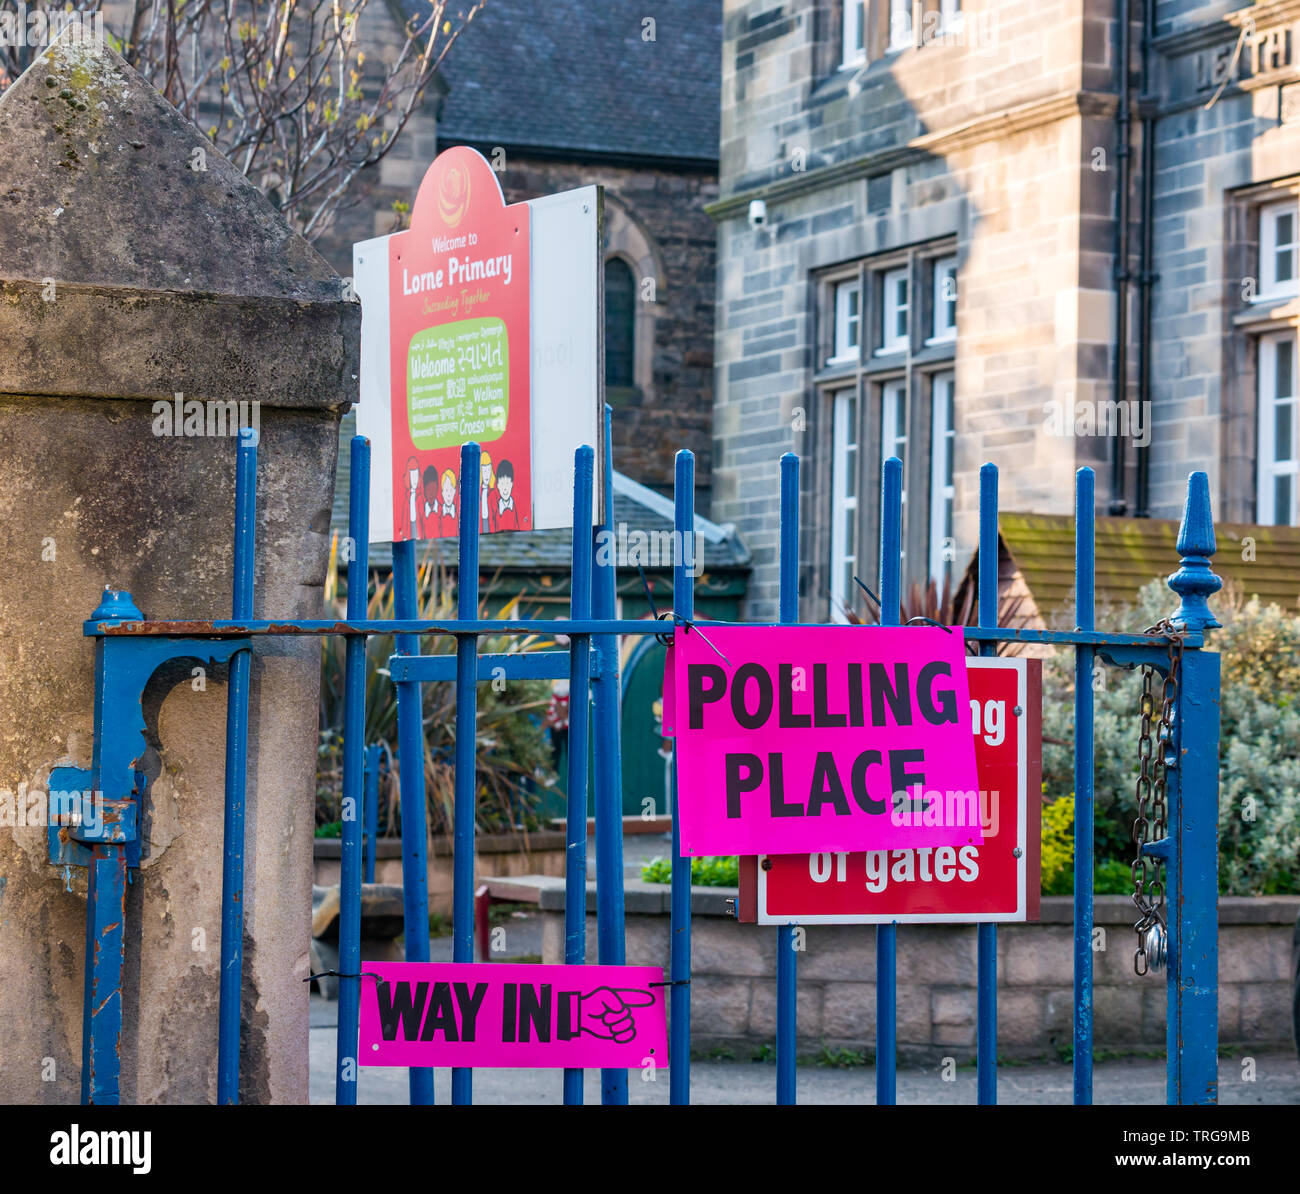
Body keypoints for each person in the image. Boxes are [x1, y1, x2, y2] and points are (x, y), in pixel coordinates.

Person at [495, 458, 521, 531]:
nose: (505, 488)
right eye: (502, 484)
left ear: (512, 484)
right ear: (497, 485)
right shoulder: (494, 510)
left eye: (507, 483)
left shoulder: (518, 507)